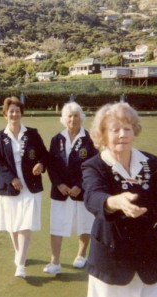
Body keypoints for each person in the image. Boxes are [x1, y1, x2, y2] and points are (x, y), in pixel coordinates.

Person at [81, 102, 157, 297]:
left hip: (152, 261)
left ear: (134, 131)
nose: (123, 134)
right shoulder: (94, 166)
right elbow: (92, 196)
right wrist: (115, 202)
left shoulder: (152, 163)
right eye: (115, 130)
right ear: (103, 135)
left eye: (127, 128)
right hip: (112, 264)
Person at [0, 96, 48, 278]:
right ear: (5, 115)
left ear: (21, 113)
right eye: (11, 111)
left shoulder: (32, 133)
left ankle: (21, 265)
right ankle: (19, 254)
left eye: (17, 111)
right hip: (9, 187)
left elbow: (44, 155)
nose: (14, 114)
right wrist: (12, 179)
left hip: (30, 186)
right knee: (13, 225)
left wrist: (41, 164)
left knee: (25, 224)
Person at [43, 101, 97, 274]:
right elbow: (51, 165)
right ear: (64, 119)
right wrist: (59, 183)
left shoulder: (90, 140)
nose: (72, 119)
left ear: (81, 118)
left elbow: (93, 166)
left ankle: (81, 255)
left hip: (82, 192)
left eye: (76, 116)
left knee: (85, 224)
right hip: (60, 191)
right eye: (69, 116)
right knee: (56, 225)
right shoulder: (56, 139)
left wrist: (80, 186)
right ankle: (55, 262)